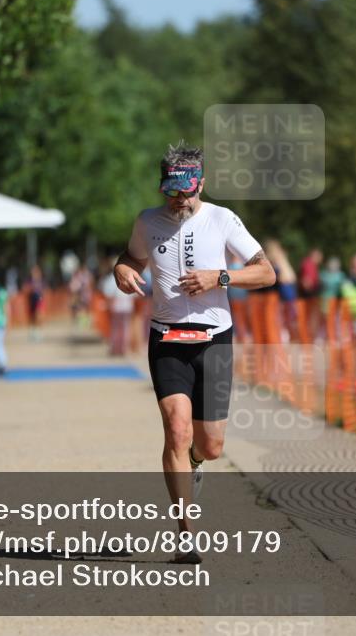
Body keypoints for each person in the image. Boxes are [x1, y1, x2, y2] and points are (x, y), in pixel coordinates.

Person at [113, 142, 275, 563]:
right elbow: (128, 258)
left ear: (200, 182)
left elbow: (266, 272)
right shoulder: (148, 221)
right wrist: (123, 272)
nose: (178, 198)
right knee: (177, 431)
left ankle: (197, 461)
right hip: (166, 339)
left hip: (214, 340)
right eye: (171, 190)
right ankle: (186, 537)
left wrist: (219, 277)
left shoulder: (222, 219)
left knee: (211, 444)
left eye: (185, 190)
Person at [100, 257, 135, 356]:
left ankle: (116, 348)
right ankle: (123, 348)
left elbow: (108, 294)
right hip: (125, 306)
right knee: (124, 327)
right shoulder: (128, 277)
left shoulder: (111, 279)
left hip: (118, 306)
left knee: (116, 328)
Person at [266, 239, 298, 342]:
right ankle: (287, 335)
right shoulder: (280, 258)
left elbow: (284, 277)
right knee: (287, 315)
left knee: (282, 316)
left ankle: (284, 335)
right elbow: (290, 277)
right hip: (286, 289)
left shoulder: (276, 259)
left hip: (282, 291)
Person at [298, 248, 323, 340]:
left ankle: (308, 339)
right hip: (308, 297)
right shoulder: (309, 264)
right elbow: (307, 282)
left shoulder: (310, 265)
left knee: (307, 320)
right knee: (309, 320)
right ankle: (307, 340)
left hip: (308, 296)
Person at [27, 265, 45, 341]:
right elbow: (26, 289)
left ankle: (38, 332)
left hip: (39, 300)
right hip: (32, 300)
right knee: (32, 316)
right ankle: (32, 332)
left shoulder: (41, 281)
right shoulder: (30, 281)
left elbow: (43, 291)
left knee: (39, 315)